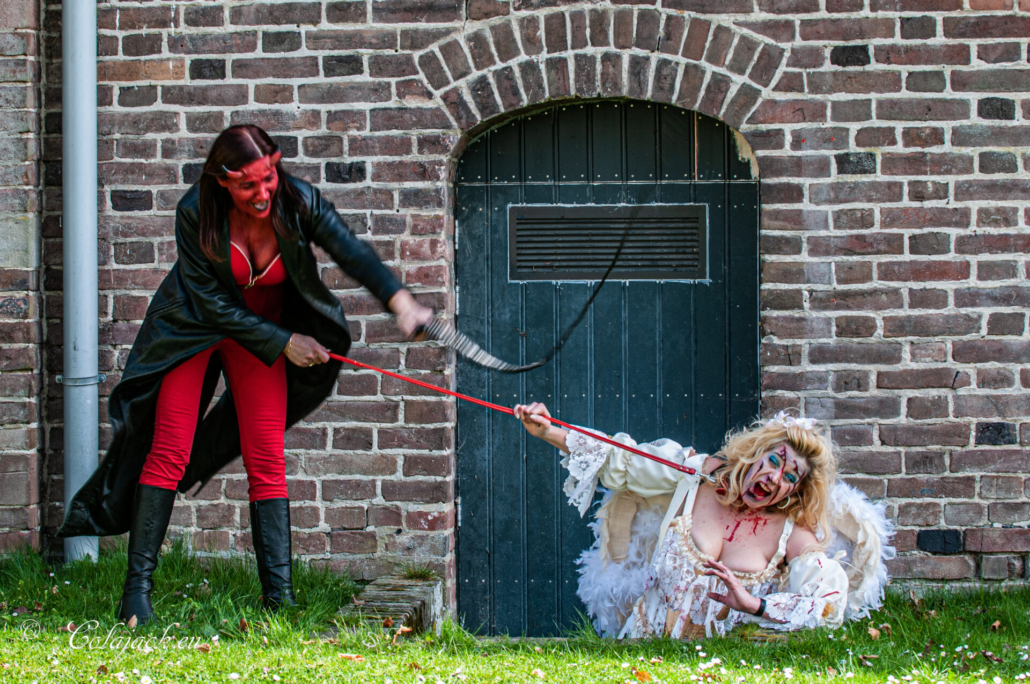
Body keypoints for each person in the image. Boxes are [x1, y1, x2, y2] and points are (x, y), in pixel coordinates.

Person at [58, 125, 433, 625]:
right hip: (195, 326)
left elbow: (351, 250)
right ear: (222, 181)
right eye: (247, 184)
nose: (262, 193)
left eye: (268, 177)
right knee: (169, 450)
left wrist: (400, 302)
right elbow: (211, 303)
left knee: (266, 457)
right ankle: (136, 595)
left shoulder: (298, 202)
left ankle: (280, 601)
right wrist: (285, 341)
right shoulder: (195, 211)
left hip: (261, 332)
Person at [513, 404, 894, 639]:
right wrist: (549, 430)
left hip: (726, 664)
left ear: (795, 491)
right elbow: (623, 460)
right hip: (643, 649)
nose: (775, 477)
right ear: (756, 453)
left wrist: (755, 605)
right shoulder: (695, 474)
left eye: (790, 476)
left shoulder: (791, 533)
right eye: (775, 461)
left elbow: (827, 607)